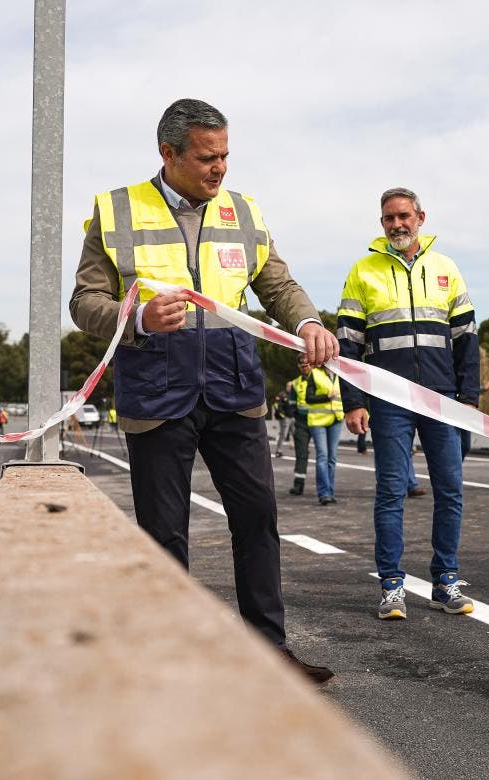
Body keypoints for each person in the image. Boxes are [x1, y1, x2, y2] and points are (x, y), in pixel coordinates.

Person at [68, 98, 336, 683]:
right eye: (206, 157)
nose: (220, 168)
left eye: (225, 156)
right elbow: (85, 302)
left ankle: (269, 650)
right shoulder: (116, 211)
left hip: (234, 388)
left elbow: (277, 283)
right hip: (156, 390)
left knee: (258, 516)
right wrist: (135, 317)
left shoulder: (242, 210)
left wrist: (309, 322)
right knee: (164, 533)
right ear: (168, 154)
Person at [338, 187, 480, 620]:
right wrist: (354, 400)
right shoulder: (363, 271)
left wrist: (469, 397)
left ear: (421, 217)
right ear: (381, 223)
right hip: (389, 401)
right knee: (390, 492)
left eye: (404, 216)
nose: (397, 224)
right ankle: (392, 585)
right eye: (388, 218)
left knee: (451, 490)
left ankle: (446, 581)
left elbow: (467, 339)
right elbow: (347, 342)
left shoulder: (446, 268)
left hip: (442, 400)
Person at [305, 365, 343, 505]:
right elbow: (308, 398)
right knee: (322, 456)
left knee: (332, 458)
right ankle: (324, 493)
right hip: (318, 420)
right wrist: (327, 396)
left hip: (336, 419)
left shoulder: (340, 374)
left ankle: (330, 492)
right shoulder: (314, 374)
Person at [287, 371, 312, 496]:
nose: (305, 367)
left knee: (326, 456)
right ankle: (299, 484)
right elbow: (291, 403)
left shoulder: (320, 377)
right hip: (302, 421)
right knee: (301, 453)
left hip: (321, 420)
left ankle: (327, 489)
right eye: (302, 365)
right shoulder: (295, 383)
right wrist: (294, 415)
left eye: (307, 363)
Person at [271, 386, 294, 458]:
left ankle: (301, 449)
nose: (290, 388)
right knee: (283, 434)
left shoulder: (293, 395)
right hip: (285, 418)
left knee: (296, 433)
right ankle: (278, 451)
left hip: (293, 417)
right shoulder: (282, 394)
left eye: (291, 386)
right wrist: (282, 415)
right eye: (289, 386)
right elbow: (276, 405)